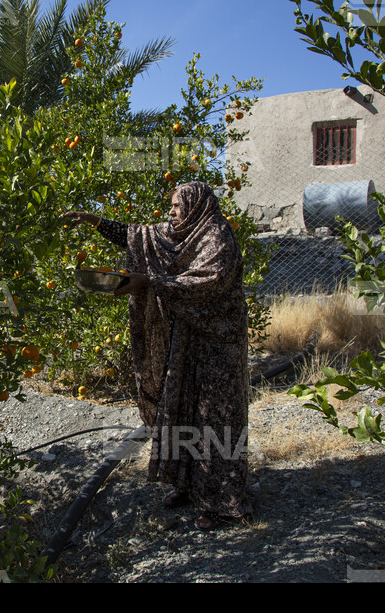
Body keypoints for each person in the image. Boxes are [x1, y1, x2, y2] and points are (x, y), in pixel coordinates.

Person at [61, 181, 253, 530]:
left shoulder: (216, 237)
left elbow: (208, 282)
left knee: (216, 416)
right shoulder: (177, 234)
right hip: (185, 339)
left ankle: (223, 502)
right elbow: (137, 236)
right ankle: (188, 484)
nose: (171, 212)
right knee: (182, 406)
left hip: (217, 342)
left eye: (177, 206)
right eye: (172, 206)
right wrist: (95, 221)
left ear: (195, 206)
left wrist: (149, 282)